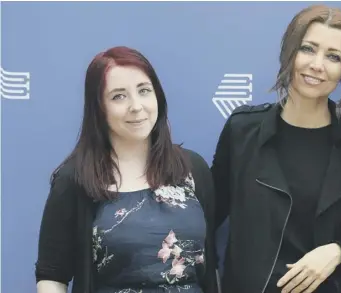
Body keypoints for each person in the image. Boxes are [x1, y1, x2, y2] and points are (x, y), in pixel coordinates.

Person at [211, 4, 341, 293]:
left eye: (333, 56)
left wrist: (339, 252)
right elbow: (204, 220)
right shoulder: (242, 132)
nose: (317, 65)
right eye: (308, 49)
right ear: (289, 52)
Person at [35, 46, 219, 293]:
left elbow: (211, 263)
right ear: (99, 107)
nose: (136, 106)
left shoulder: (192, 168)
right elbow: (52, 275)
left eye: (144, 91)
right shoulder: (74, 179)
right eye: (118, 96)